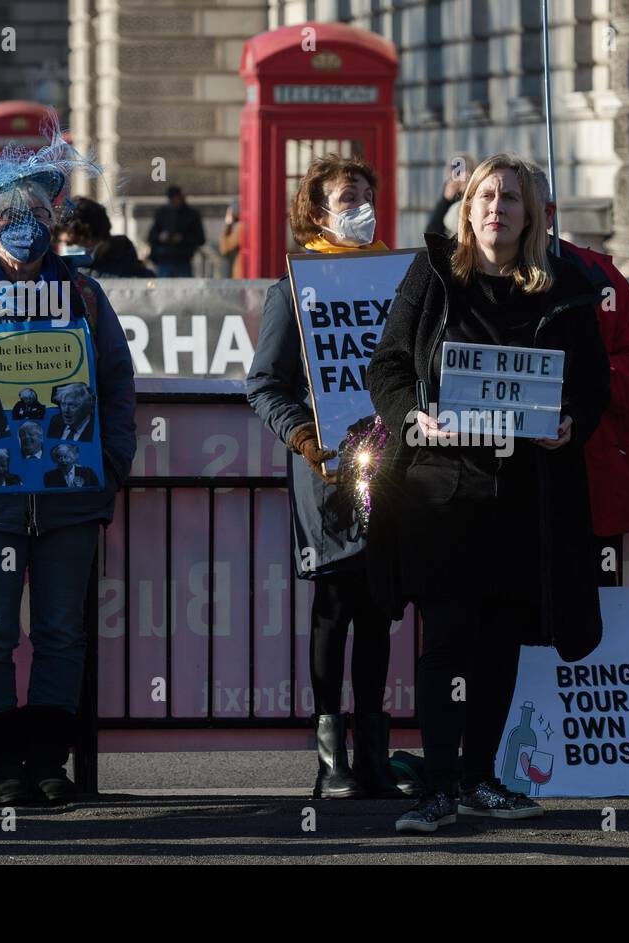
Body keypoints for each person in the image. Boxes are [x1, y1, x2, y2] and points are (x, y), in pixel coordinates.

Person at [366, 154, 611, 833]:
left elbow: (593, 384)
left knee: (501, 639)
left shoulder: (565, 284)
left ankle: (479, 775)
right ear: (467, 209)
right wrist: (414, 411)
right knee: (446, 635)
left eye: (511, 197)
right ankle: (439, 784)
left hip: (524, 492)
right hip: (440, 492)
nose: (497, 206)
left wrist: (572, 422)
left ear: (531, 213)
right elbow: (386, 364)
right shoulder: (435, 274)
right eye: (485, 196)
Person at [0, 121, 136, 807]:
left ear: (56, 223)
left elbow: (119, 386)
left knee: (63, 632)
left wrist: (113, 463)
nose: (24, 226)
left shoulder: (88, 299)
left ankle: (48, 762)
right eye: (9, 215)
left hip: (71, 497)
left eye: (37, 213)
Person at [246, 153, 405, 800]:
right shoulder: (293, 287)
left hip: (393, 467)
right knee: (335, 605)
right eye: (346, 197)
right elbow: (263, 384)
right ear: (317, 211)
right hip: (328, 471)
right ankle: (328, 759)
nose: (360, 206)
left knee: (379, 611)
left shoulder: (401, 280)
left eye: (366, 194)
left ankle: (372, 757)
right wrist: (306, 438)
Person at [528, 165, 629, 584]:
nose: (506, 214)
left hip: (593, 478)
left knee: (598, 614)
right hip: (505, 492)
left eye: (519, 202)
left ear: (548, 213)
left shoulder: (597, 275)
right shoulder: (469, 277)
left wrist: (585, 387)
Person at [58, 197, 153, 279]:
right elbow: (53, 300)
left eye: (73, 242)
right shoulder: (61, 274)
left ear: (99, 239)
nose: (68, 248)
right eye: (62, 242)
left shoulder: (131, 272)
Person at [146, 185, 205, 278]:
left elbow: (200, 238)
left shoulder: (191, 215)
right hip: (164, 259)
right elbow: (151, 236)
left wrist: (182, 239)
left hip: (183, 259)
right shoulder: (162, 213)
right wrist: (160, 237)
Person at [218, 200, 244, 278]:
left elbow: (224, 249)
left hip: (241, 272)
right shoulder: (242, 227)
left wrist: (228, 224)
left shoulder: (241, 228)